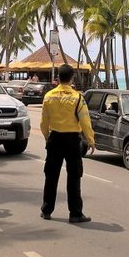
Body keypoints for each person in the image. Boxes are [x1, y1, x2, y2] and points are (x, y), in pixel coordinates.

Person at [40, 64, 96, 223]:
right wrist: (90, 140)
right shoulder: (77, 97)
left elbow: (44, 121)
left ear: (58, 77)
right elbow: (85, 120)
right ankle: (75, 214)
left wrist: (47, 137)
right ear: (72, 78)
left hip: (55, 138)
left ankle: (46, 210)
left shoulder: (49, 96)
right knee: (74, 176)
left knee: (51, 175)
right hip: (72, 141)